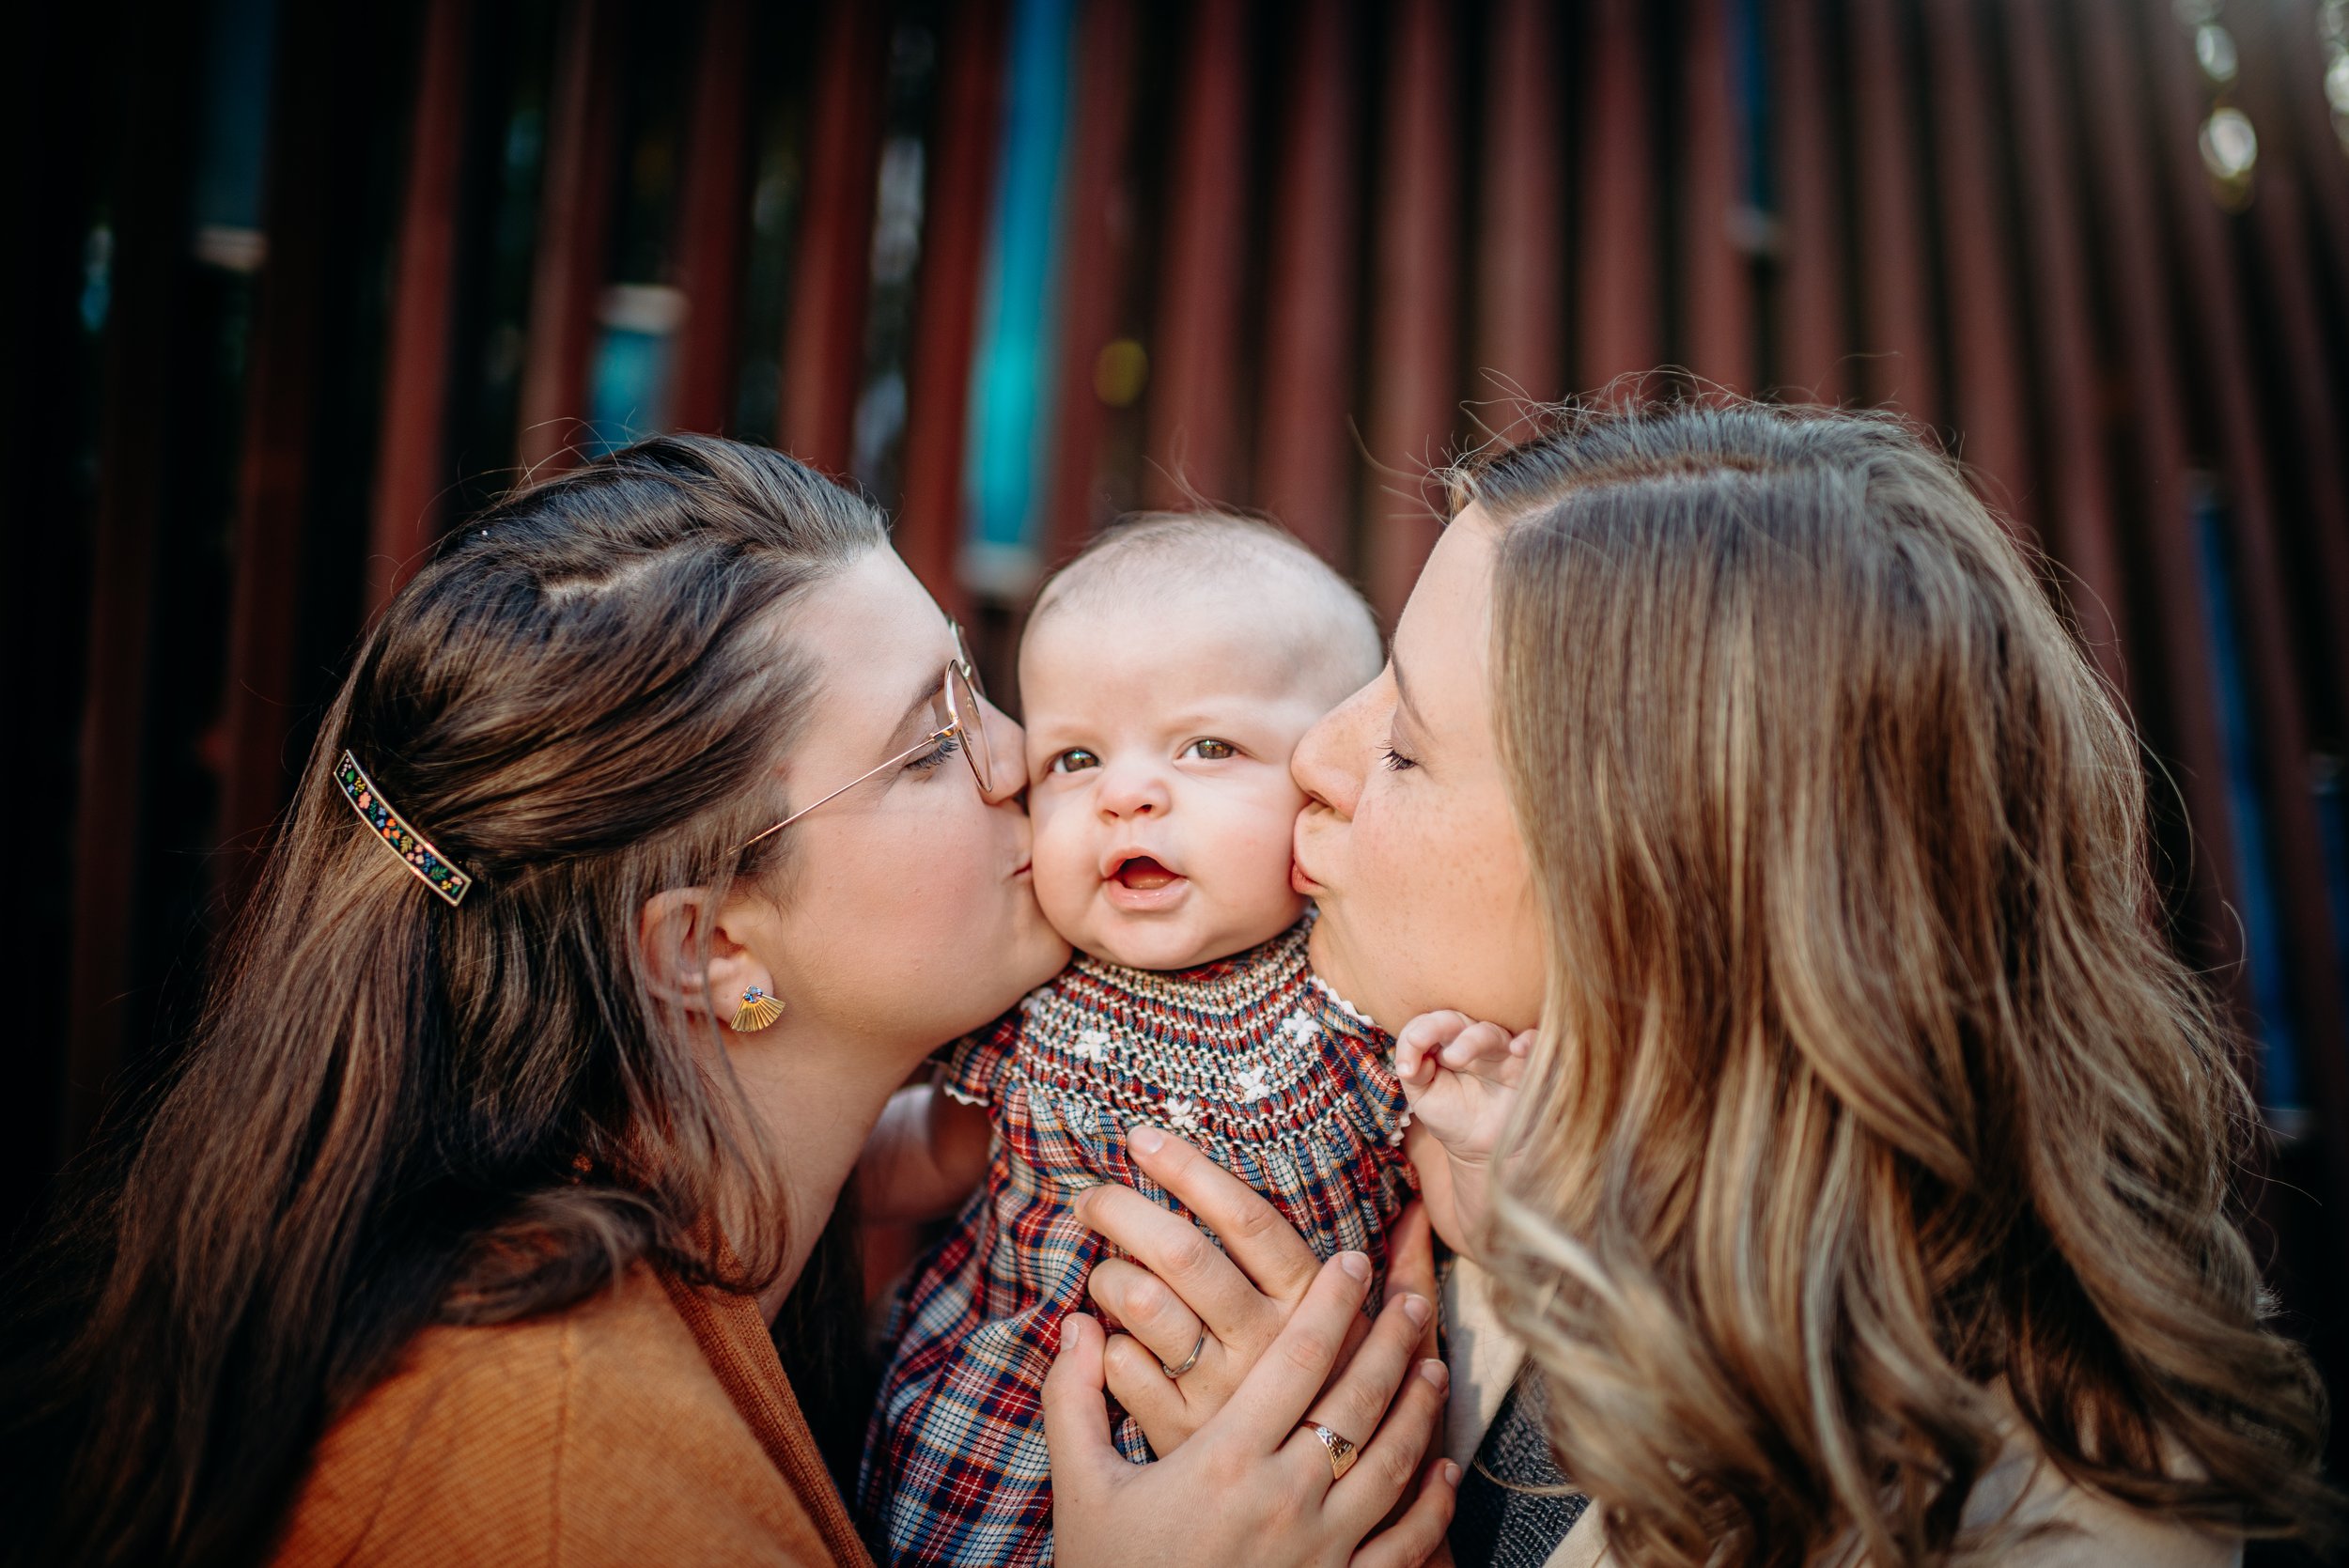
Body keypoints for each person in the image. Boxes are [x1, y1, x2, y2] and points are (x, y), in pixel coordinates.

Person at [0, 437, 1455, 1568]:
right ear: (706, 952)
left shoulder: (773, 1253)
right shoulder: (559, 1463)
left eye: (969, 680)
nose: (1026, 758)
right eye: (923, 748)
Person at [1049, 399, 2338, 1566]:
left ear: (1647, 888)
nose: (1310, 759)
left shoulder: (2024, 1516)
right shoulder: (1449, 1158)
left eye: (1404, 744)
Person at [857, 513, 1442, 1565]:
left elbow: (1447, 1174)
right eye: (1075, 758)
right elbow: (929, 1152)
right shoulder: (1034, 990)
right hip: (1013, 1435)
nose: (1126, 794)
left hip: (1286, 1457)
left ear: (1322, 791)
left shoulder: (1359, 983)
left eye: (1207, 747)